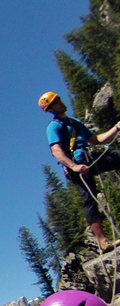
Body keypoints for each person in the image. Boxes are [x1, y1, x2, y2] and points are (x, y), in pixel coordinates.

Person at [39, 91, 120, 253]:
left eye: (58, 99)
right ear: (51, 109)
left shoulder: (74, 122)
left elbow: (97, 140)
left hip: (90, 157)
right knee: (89, 200)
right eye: (55, 102)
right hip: (77, 164)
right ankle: (103, 242)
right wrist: (73, 166)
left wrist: (117, 127)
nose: (60, 102)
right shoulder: (54, 126)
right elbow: (56, 151)